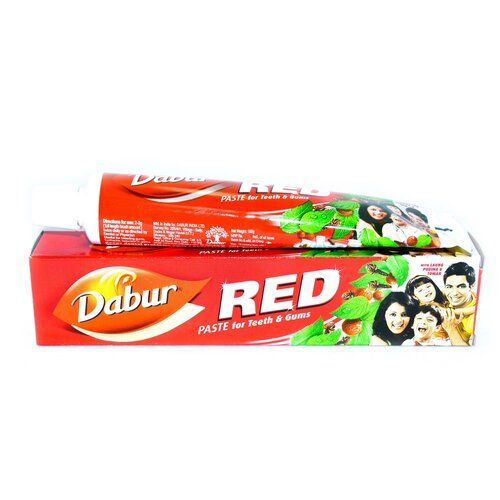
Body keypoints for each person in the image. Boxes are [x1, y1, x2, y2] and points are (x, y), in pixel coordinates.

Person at [440, 262, 477, 345]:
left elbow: (469, 351)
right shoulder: (442, 298)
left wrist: (451, 329)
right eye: (449, 287)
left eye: (461, 286)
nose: (454, 293)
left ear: (472, 286)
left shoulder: (474, 321)